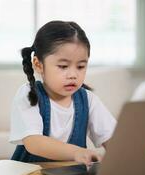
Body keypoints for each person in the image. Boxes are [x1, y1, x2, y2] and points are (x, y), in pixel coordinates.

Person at [9, 20, 116, 166]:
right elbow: (34, 143)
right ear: (38, 64)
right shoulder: (28, 94)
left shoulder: (88, 100)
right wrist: (77, 152)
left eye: (80, 66)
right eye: (63, 66)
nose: (73, 74)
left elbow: (114, 141)